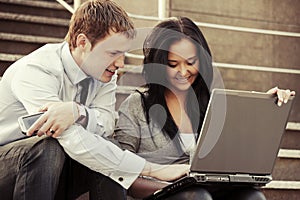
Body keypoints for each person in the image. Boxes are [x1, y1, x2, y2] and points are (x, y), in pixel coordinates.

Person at [0, 1, 189, 199]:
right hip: (9, 165)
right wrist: (152, 170)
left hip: (54, 169)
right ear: (83, 43)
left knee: (105, 152)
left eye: (123, 54)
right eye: (113, 53)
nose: (120, 64)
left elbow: (106, 124)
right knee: (48, 147)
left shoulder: (104, 73)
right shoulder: (36, 70)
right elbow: (71, 139)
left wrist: (77, 112)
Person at [114, 16, 295, 200]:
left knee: (252, 196)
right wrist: (175, 186)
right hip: (158, 195)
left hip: (208, 192)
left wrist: (268, 106)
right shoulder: (136, 105)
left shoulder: (212, 104)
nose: (183, 72)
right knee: (197, 196)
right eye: (173, 64)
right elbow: (121, 175)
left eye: (190, 62)